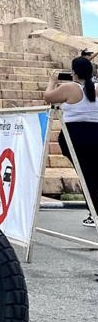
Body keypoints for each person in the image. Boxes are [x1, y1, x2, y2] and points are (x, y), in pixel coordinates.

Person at [43, 56, 98, 229]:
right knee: (94, 173)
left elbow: (48, 97)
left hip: (75, 136)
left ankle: (94, 213)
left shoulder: (69, 87)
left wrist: (52, 81)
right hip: (95, 134)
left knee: (87, 175)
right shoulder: (95, 87)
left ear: (73, 72)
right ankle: (94, 211)